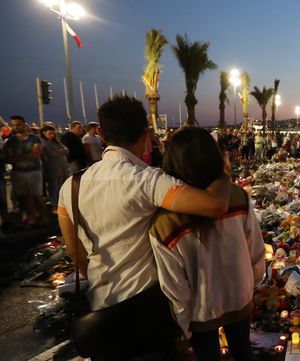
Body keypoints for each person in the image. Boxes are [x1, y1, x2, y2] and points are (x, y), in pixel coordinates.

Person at [57, 96, 231, 360]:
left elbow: (74, 250)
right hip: (147, 308)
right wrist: (223, 175)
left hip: (101, 309)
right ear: (147, 133)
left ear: (102, 134)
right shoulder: (148, 181)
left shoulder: (71, 186)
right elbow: (215, 205)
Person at [149, 127, 264, 361]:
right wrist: (253, 284)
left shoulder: (164, 221)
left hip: (201, 311)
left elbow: (174, 285)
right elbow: (256, 248)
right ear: (214, 155)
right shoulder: (237, 196)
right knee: (244, 351)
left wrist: (183, 326)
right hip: (239, 295)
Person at [3, 115, 46, 224]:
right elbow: (9, 159)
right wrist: (28, 154)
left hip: (34, 171)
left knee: (37, 197)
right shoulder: (10, 142)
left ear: (24, 124)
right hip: (18, 172)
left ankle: (45, 218)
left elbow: (36, 154)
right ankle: (32, 218)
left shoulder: (35, 139)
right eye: (13, 125)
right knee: (24, 197)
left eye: (18, 124)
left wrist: (18, 157)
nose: (16, 127)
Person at [40, 124, 69, 211]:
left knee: (62, 187)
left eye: (53, 133)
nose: (52, 135)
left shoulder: (56, 141)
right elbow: (51, 153)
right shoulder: (43, 143)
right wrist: (59, 151)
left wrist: (60, 151)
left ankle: (62, 205)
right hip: (52, 169)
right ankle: (54, 205)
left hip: (62, 168)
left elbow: (67, 150)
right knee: (53, 188)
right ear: (44, 133)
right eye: (50, 133)